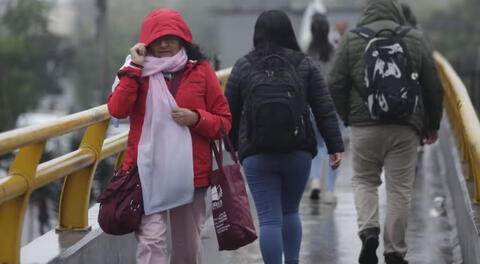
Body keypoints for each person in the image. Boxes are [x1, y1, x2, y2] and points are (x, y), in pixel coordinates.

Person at [107, 8, 232, 264]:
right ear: (146, 42)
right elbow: (117, 109)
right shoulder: (135, 71)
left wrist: (196, 119)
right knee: (151, 241)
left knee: (187, 247)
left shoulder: (201, 71)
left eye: (170, 38)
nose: (164, 44)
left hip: (190, 175)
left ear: (182, 39)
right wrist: (133, 68)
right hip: (146, 172)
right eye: (157, 39)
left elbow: (224, 122)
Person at [328, 0, 444, 264]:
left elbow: (334, 81)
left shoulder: (352, 39)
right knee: (400, 188)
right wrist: (432, 124)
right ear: (396, 11)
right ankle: (394, 250)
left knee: (365, 180)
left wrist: (349, 116)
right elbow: (434, 85)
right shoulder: (415, 38)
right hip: (405, 125)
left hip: (364, 126)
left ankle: (369, 229)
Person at [225, 10, 344, 264]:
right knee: (291, 212)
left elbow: (229, 112)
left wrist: (234, 147)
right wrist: (334, 145)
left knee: (268, 218)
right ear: (289, 32)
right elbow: (324, 108)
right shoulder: (304, 64)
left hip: (256, 153)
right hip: (297, 150)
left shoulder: (244, 65)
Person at [306, 13, 341, 203]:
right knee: (333, 146)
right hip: (332, 105)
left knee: (316, 146)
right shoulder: (334, 52)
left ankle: (315, 181)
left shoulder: (306, 52)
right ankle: (329, 190)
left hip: (311, 105)